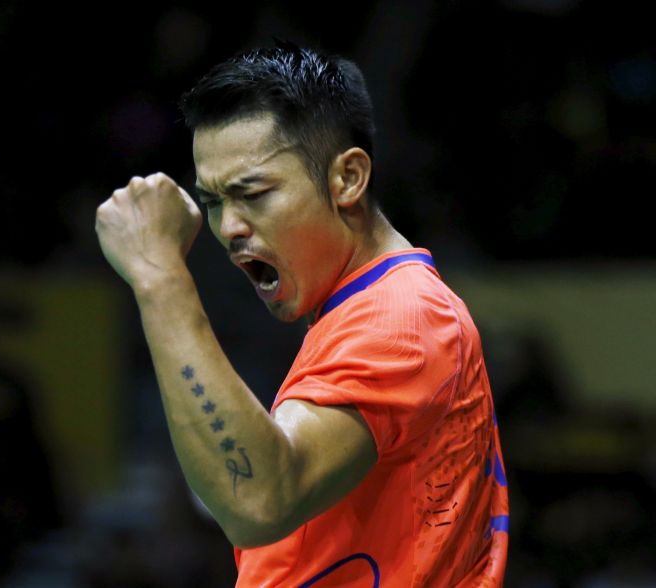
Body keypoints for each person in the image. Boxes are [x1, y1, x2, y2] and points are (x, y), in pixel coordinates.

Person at [95, 41, 509, 587]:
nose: (229, 229)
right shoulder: (369, 312)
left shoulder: (401, 321)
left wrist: (159, 277)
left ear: (347, 179)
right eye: (215, 202)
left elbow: (261, 499)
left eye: (254, 193)